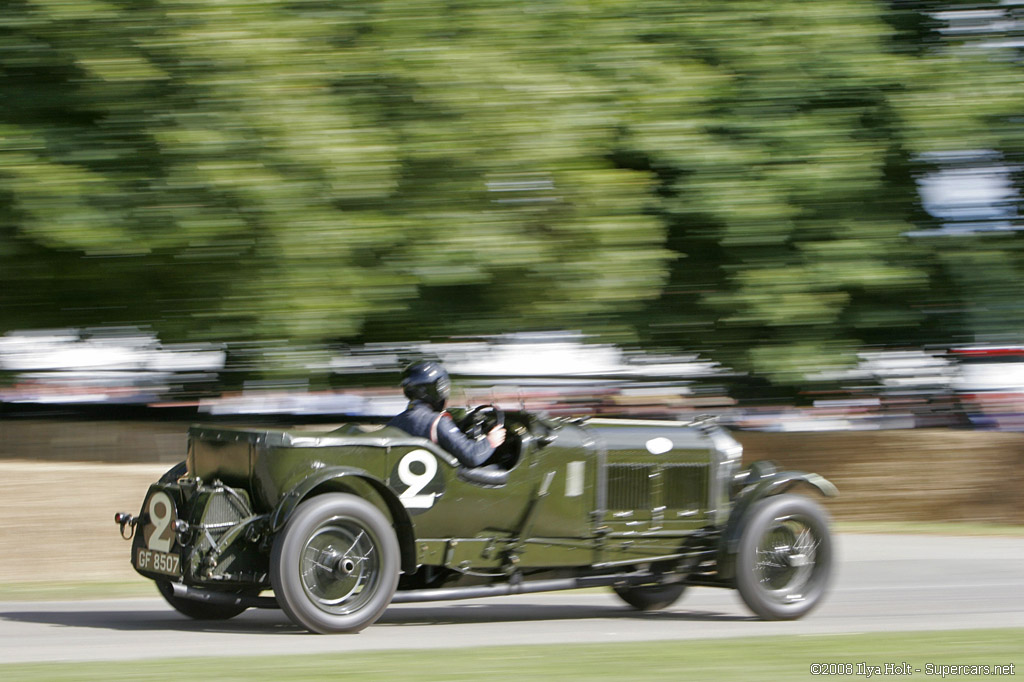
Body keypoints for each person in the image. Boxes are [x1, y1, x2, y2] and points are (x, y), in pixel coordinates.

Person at [388, 360, 505, 468]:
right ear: (437, 389)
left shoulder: (395, 422)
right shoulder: (438, 422)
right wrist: (490, 441)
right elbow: (472, 456)